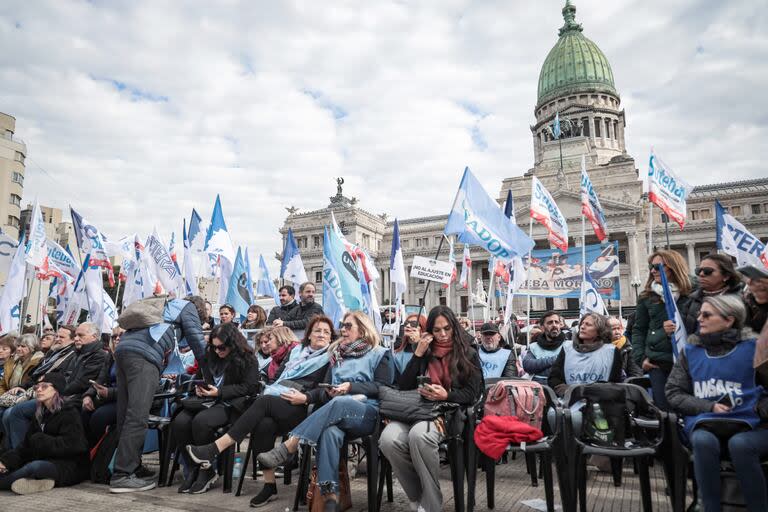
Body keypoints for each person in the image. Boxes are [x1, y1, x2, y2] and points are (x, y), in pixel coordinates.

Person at [186, 315, 335, 507]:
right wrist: (274, 388)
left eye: (326, 332)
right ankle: (269, 485)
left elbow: (327, 388)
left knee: (263, 402)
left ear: (331, 337)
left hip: (304, 405)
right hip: (281, 397)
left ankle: (214, 448)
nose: (321, 334)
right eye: (317, 330)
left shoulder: (331, 356)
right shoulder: (298, 351)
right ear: (309, 334)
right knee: (264, 424)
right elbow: (279, 377)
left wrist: (306, 397)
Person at [256, 311, 393, 512]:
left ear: (362, 330)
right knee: (329, 433)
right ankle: (330, 497)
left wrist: (350, 387)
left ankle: (291, 445)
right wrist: (326, 392)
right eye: (342, 325)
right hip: (335, 414)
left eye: (348, 326)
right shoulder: (338, 354)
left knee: (339, 404)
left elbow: (383, 388)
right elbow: (323, 390)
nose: (342, 330)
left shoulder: (380, 353)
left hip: (367, 413)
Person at [666, 295, 768, 511]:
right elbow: (673, 392)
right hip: (706, 422)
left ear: (729, 320)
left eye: (706, 314)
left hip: (752, 425)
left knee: (740, 445)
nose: (698, 318)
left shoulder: (755, 348)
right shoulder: (690, 351)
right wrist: (708, 407)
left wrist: (758, 408)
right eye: (699, 313)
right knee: (703, 441)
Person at [380, 306, 483, 512]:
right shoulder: (424, 352)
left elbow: (474, 393)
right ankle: (420, 498)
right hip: (414, 410)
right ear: (429, 331)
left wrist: (447, 395)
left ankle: (430, 506)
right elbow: (403, 387)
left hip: (446, 413)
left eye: (447, 328)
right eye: (437, 330)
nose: (442, 334)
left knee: (419, 436)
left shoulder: (467, 353)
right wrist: (417, 355)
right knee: (388, 439)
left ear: (454, 327)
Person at [109, 295, 209, 493]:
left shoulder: (165, 305)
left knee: (125, 414)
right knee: (138, 415)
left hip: (123, 350)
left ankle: (132, 466)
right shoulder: (187, 307)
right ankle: (122, 475)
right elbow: (198, 342)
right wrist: (212, 373)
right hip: (144, 355)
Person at [171, 322, 260, 494]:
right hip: (206, 401)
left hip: (231, 403)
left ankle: (206, 469)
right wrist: (198, 388)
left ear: (233, 344)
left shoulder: (247, 359)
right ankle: (193, 468)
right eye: (214, 347)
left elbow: (249, 387)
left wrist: (219, 392)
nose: (218, 351)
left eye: (222, 347)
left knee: (201, 422)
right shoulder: (209, 355)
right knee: (180, 422)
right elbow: (198, 377)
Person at [3, 323, 105, 449]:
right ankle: (9, 454)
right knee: (6, 411)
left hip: (69, 398)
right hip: (56, 392)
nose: (77, 338)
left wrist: (54, 390)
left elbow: (81, 383)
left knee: (16, 412)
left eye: (80, 335)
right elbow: (41, 375)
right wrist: (24, 386)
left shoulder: (95, 355)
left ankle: (20, 455)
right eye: (76, 335)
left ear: (94, 337)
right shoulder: (75, 353)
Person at [0, 373, 89, 494]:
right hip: (48, 460)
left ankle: (6, 483)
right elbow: (25, 446)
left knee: (34, 467)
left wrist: (41, 440)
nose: (39, 390)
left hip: (70, 466)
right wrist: (5, 461)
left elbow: (75, 445)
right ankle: (41, 481)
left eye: (45, 386)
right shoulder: (40, 413)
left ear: (56, 389)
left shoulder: (69, 412)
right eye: (37, 387)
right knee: (13, 466)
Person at [632, 250, 692, 410]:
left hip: (690, 361)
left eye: (658, 267)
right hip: (659, 364)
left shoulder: (692, 294)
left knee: (688, 408)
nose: (653, 270)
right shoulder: (647, 297)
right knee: (665, 413)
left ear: (673, 267)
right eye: (652, 267)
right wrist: (641, 359)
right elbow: (638, 330)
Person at [548, 313, 622, 397]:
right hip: (571, 403)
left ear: (600, 330)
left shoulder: (611, 351)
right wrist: (566, 391)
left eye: (588, 325)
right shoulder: (567, 348)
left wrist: (590, 393)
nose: (582, 327)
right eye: (582, 323)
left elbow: (615, 382)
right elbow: (554, 378)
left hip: (601, 403)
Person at [81, 327, 123, 447]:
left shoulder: (132, 358)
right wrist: (88, 395)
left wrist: (109, 393)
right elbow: (100, 379)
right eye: (114, 336)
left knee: (99, 417)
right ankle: (85, 451)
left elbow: (133, 389)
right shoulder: (111, 356)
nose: (117, 339)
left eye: (121, 335)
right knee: (85, 409)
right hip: (109, 397)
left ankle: (98, 454)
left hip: (126, 401)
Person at [681, 254, 744, 334]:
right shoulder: (692, 299)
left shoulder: (740, 301)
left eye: (707, 271)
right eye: (698, 271)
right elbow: (684, 330)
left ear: (726, 276)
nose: (701, 274)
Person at [522, 311, 568, 384]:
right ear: (542, 327)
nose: (554, 325)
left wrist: (540, 367)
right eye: (550, 322)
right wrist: (557, 359)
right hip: (539, 387)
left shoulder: (568, 345)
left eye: (556, 322)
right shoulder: (534, 346)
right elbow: (528, 366)